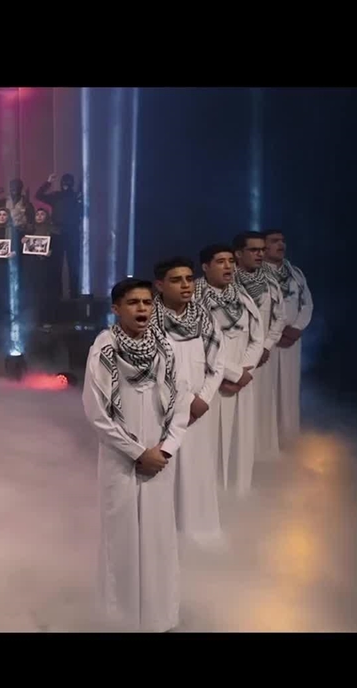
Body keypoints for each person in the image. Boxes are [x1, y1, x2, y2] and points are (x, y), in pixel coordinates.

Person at [82, 277, 187, 632]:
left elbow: (181, 404)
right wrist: (137, 452)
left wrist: (165, 449)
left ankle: (159, 617)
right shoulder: (104, 350)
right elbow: (97, 413)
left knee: (158, 538)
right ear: (116, 309)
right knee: (121, 539)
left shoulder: (166, 348)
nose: (142, 308)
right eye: (133, 303)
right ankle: (121, 620)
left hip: (160, 459)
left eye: (146, 302)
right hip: (120, 459)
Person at [153, 257, 227, 547]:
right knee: (165, 472)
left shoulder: (204, 318)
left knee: (197, 472)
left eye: (188, 279)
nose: (186, 285)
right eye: (176, 280)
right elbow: (153, 371)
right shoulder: (149, 321)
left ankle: (198, 534)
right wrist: (184, 403)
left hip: (197, 411)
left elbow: (217, 364)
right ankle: (164, 538)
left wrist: (204, 398)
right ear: (160, 285)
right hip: (161, 410)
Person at [194, 244, 264, 498]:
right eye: (221, 261)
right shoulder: (194, 300)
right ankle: (210, 497)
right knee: (208, 441)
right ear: (205, 267)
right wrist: (232, 373)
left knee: (239, 439)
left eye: (230, 261)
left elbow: (257, 337)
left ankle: (238, 493)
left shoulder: (242, 297)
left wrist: (245, 371)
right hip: (210, 380)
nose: (228, 266)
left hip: (241, 381)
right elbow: (200, 344)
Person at [232, 231, 285, 462]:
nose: (260, 254)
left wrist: (266, 346)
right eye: (254, 250)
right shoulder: (228, 282)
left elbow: (279, 317)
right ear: (238, 253)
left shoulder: (270, 282)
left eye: (262, 250)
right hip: (233, 358)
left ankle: (261, 456)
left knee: (262, 406)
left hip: (261, 357)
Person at [263, 229, 313, 445]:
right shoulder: (255, 274)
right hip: (265, 340)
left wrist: (297, 328)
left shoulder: (295, 273)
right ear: (263, 246)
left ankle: (288, 439)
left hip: (291, 340)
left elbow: (307, 303)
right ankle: (266, 442)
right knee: (267, 389)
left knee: (289, 389)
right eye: (275, 241)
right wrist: (275, 331)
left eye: (282, 241)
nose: (281, 244)